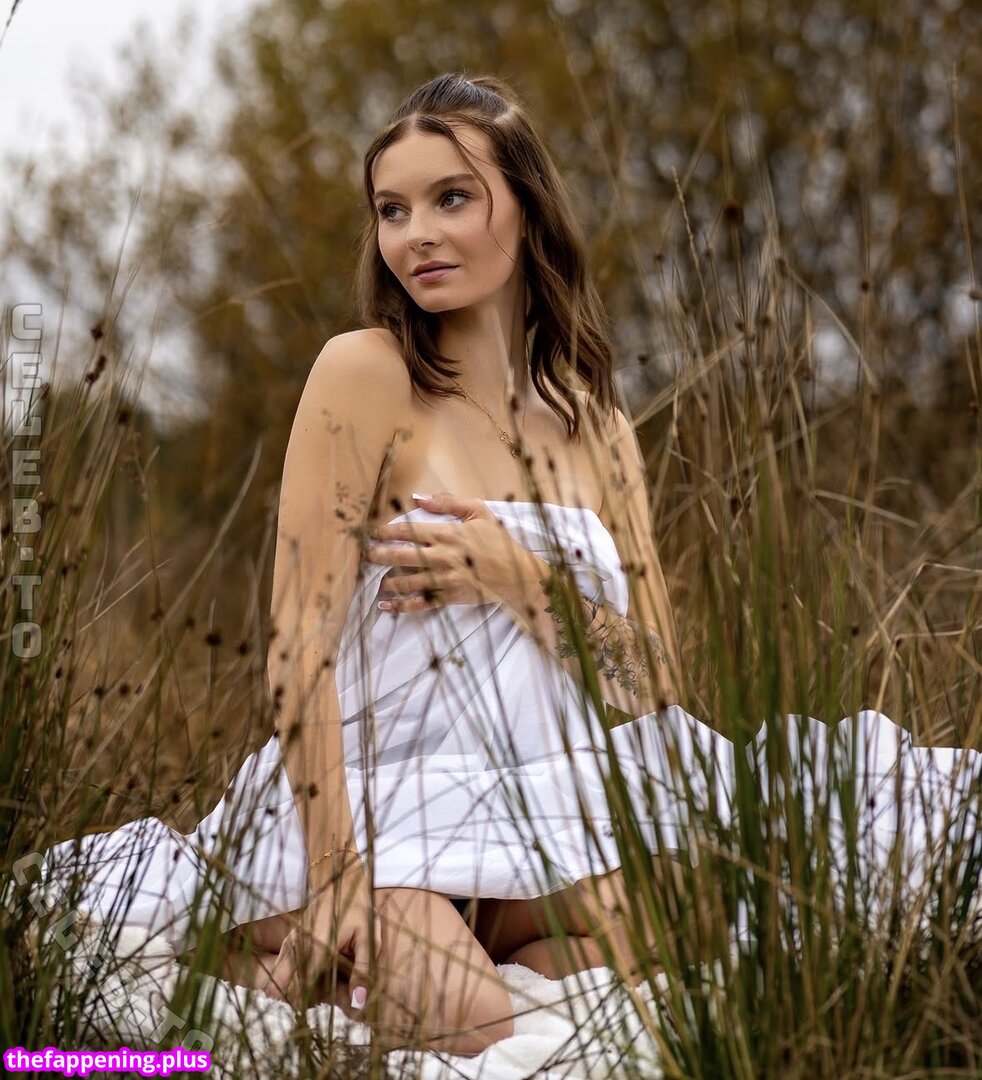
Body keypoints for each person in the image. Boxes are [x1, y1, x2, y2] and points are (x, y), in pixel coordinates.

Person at [28, 72, 980, 1060]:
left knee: (726, 911)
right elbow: (296, 646)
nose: (416, 234)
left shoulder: (597, 425)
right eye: (392, 210)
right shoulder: (365, 375)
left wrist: (518, 577)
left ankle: (430, 957)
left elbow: (651, 681)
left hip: (539, 803)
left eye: (452, 197)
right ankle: (267, 958)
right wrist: (338, 877)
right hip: (374, 802)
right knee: (464, 1016)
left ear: (527, 207)